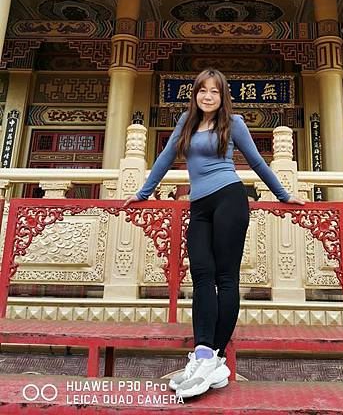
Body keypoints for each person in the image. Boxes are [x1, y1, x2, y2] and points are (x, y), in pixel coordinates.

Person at [124, 69, 304, 399]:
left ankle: (213, 357)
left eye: (215, 91)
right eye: (202, 90)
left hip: (229, 199)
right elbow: (165, 157)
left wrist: (283, 195)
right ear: (194, 94)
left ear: (223, 97)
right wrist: (143, 192)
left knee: (226, 277)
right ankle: (204, 354)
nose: (208, 96)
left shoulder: (234, 124)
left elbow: (257, 163)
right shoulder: (186, 122)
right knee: (202, 275)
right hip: (199, 206)